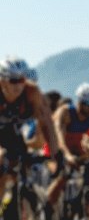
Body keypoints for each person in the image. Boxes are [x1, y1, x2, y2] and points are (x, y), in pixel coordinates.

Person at [0, 57, 61, 196]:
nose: (18, 86)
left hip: (12, 132)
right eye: (13, 80)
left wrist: (55, 153)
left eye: (22, 80)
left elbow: (47, 124)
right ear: (2, 80)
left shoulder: (32, 92)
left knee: (18, 169)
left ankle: (16, 204)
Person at [48, 83, 89, 206]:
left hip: (77, 144)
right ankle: (48, 206)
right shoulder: (65, 112)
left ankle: (86, 212)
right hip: (57, 144)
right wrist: (67, 155)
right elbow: (59, 137)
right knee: (63, 177)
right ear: (80, 102)